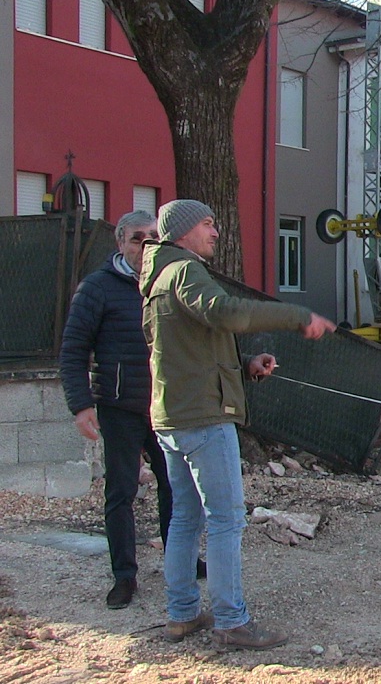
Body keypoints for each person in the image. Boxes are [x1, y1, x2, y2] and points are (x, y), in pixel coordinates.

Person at [139, 199, 337, 651]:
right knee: (226, 520)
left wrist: (245, 365)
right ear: (184, 231)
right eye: (208, 223)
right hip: (203, 419)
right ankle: (231, 619)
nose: (216, 231)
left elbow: (189, 346)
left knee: (185, 518)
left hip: (173, 417)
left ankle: (182, 614)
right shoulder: (185, 272)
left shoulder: (157, 278)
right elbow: (226, 314)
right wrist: (297, 316)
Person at [59, 210, 202, 610]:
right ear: (120, 242)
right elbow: (72, 352)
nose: (145, 244)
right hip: (119, 407)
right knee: (120, 493)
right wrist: (81, 405)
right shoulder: (97, 288)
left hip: (167, 405)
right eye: (137, 237)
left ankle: (184, 560)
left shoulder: (170, 282)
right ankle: (125, 575)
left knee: (176, 488)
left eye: (153, 237)